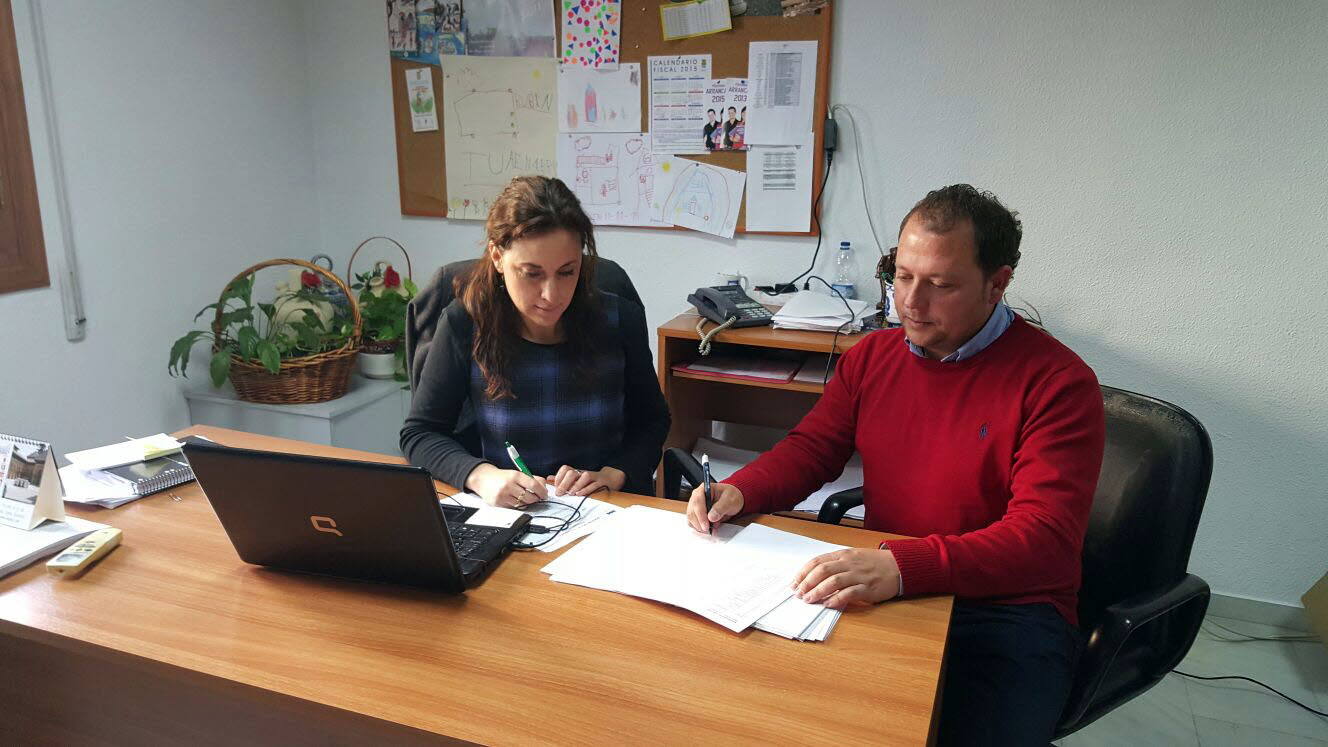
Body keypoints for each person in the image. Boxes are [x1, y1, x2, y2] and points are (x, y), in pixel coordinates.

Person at [686, 184, 1105, 745]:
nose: (911, 301)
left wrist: (905, 567)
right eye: (902, 276)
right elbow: (813, 449)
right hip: (888, 581)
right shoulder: (873, 358)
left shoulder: (1057, 383)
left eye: (940, 284)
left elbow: (1043, 540)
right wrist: (740, 489)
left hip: (1007, 610)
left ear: (997, 283)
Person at [402, 176, 670, 508]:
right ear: (498, 257)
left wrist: (612, 475)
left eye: (567, 272)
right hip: (509, 514)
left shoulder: (618, 320)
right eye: (532, 273)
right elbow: (421, 434)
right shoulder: (464, 323)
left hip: (603, 509)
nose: (551, 295)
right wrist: (482, 476)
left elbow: (652, 420)